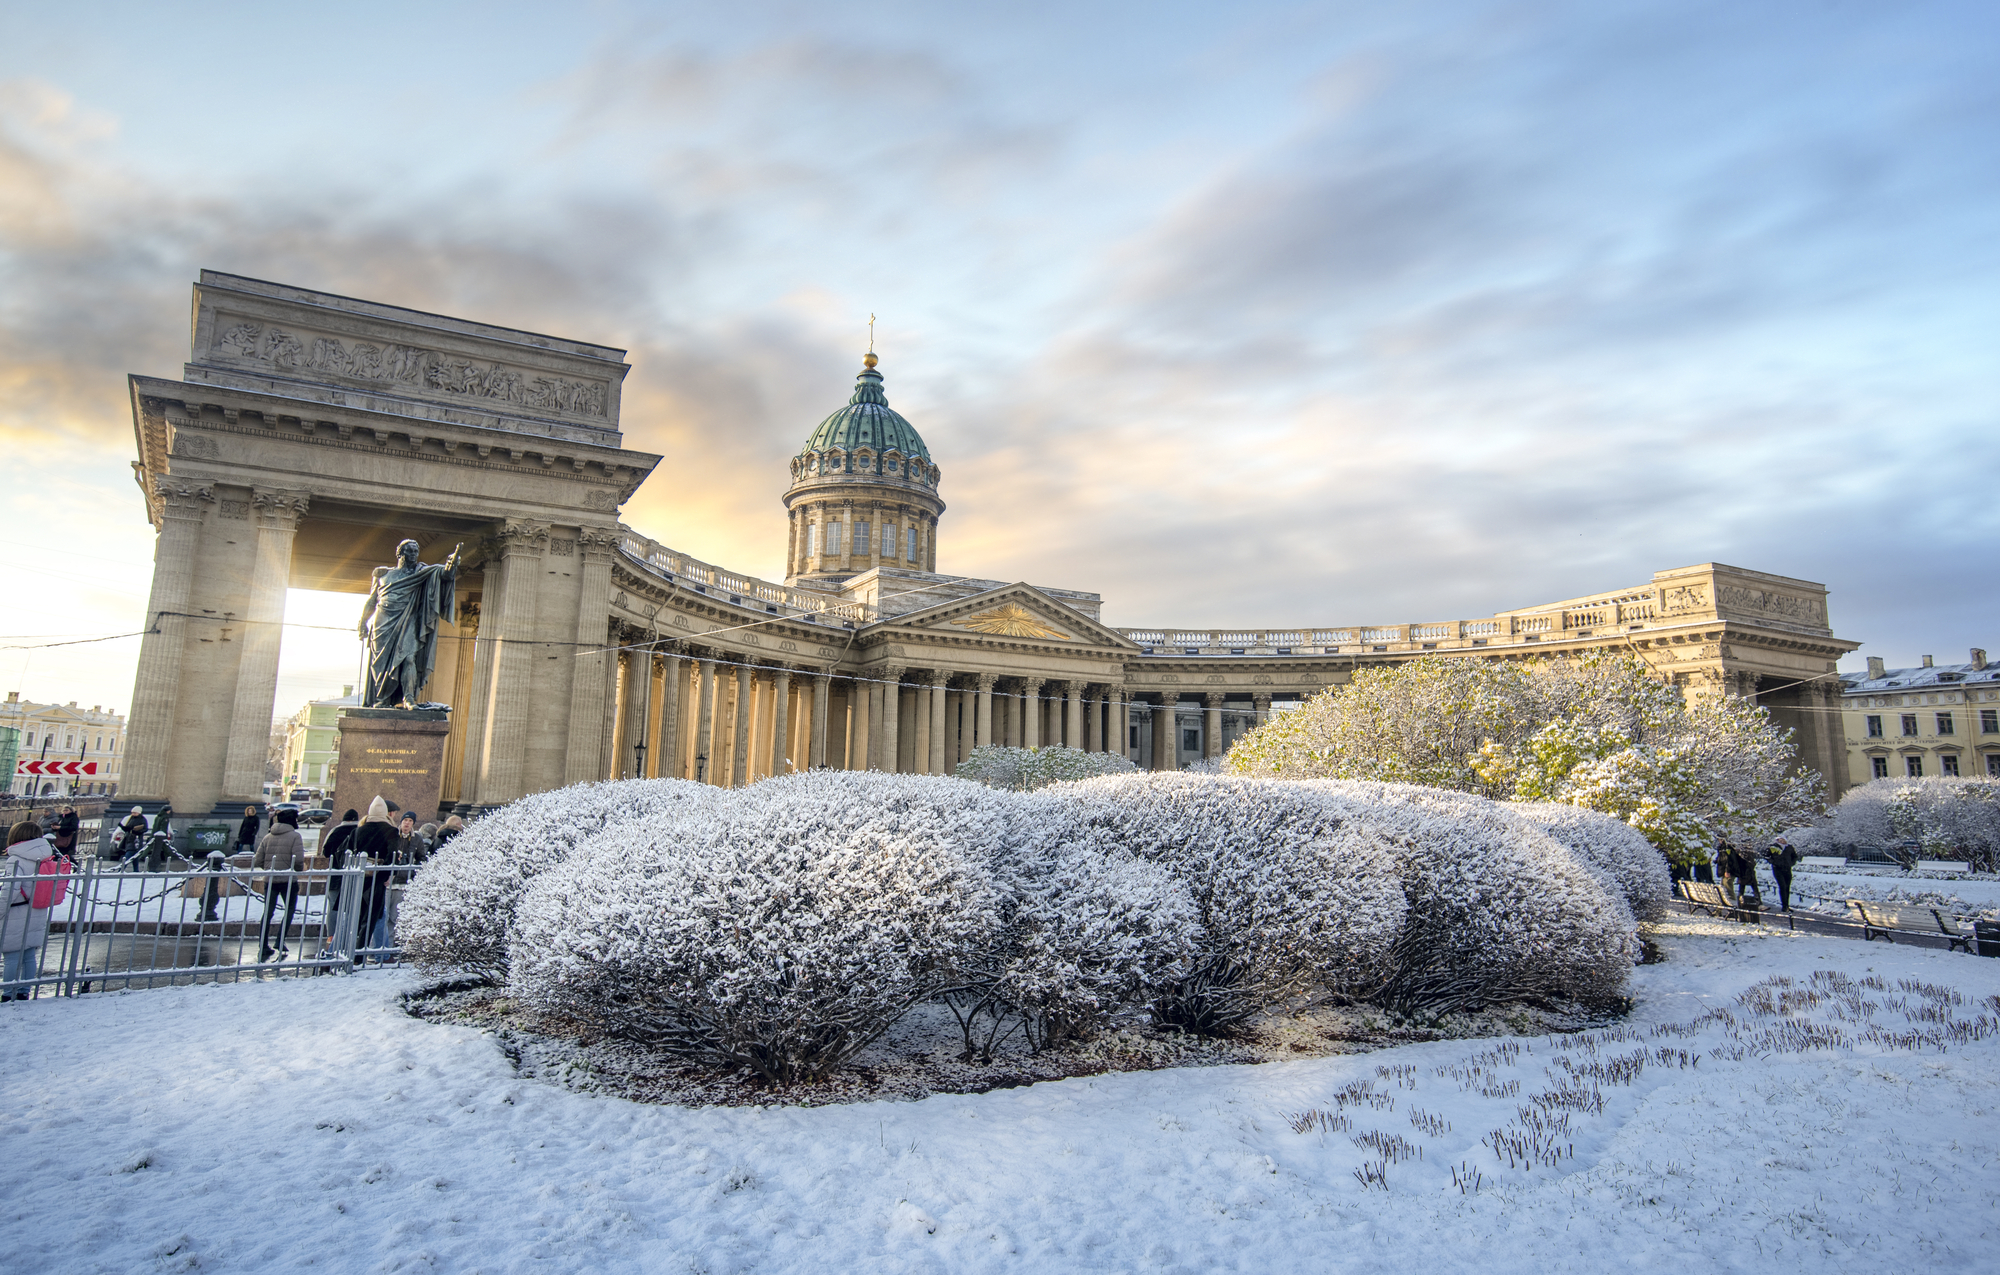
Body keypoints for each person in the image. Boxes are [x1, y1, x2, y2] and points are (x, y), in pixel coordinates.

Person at [2, 821, 55, 1000]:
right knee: (29, 954)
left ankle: (8, 993)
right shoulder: (46, 856)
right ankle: (24, 991)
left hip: (16, 912)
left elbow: (10, 891)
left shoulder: (16, 859)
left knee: (11, 956)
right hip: (37, 909)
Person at [254, 808, 307, 962]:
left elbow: (258, 860)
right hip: (288, 880)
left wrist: (270, 868)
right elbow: (298, 860)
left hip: (270, 879)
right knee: (289, 910)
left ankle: (263, 944)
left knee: (268, 912)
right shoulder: (295, 836)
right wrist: (295, 869)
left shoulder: (268, 836)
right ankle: (279, 939)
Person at [354, 798, 397, 960]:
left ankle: (345, 952)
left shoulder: (359, 830)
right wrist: (385, 876)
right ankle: (359, 954)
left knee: (357, 916)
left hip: (358, 877)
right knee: (372, 917)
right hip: (377, 879)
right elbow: (393, 856)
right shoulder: (390, 831)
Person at [1766, 837, 1800, 913]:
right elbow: (1767, 856)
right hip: (1778, 869)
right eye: (1780, 840)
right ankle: (1784, 906)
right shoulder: (1773, 847)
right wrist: (1773, 862)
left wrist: (1791, 863)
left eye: (1783, 840)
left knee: (1787, 887)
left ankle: (1786, 905)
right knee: (1782, 886)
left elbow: (1794, 856)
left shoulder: (1789, 847)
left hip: (1787, 868)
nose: (1782, 841)